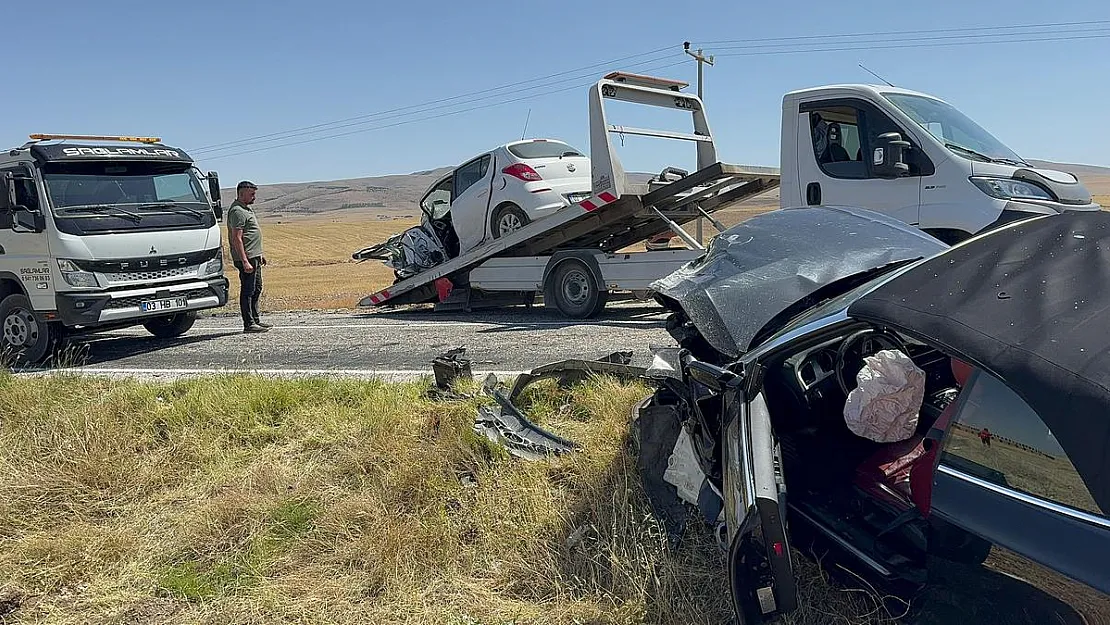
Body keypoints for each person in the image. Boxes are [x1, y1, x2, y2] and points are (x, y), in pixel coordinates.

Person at [226, 180, 270, 333]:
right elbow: (236, 238)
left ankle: (256, 319)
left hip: (254, 256)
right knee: (248, 290)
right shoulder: (237, 211)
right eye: (252, 194)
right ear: (242, 193)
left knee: (257, 288)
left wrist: (259, 254)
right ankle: (248, 323)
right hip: (247, 258)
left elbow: (251, 234)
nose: (254, 197)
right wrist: (245, 260)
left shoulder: (246, 209)